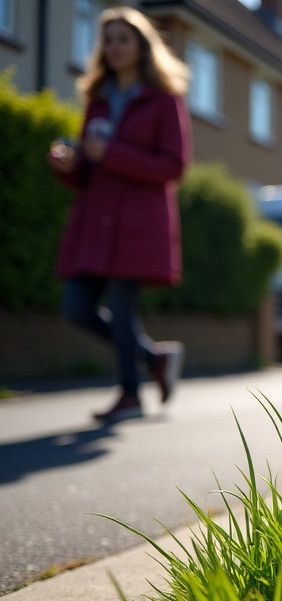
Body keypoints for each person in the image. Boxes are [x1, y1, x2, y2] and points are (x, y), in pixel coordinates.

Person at [47, 6, 190, 422]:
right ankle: (154, 359)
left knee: (123, 306)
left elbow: (173, 166)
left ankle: (130, 395)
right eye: (108, 40)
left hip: (138, 225)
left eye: (123, 39)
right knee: (76, 306)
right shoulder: (98, 98)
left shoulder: (164, 99)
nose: (114, 47)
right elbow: (89, 172)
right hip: (96, 220)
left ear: (142, 46)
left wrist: (111, 153)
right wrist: (69, 165)